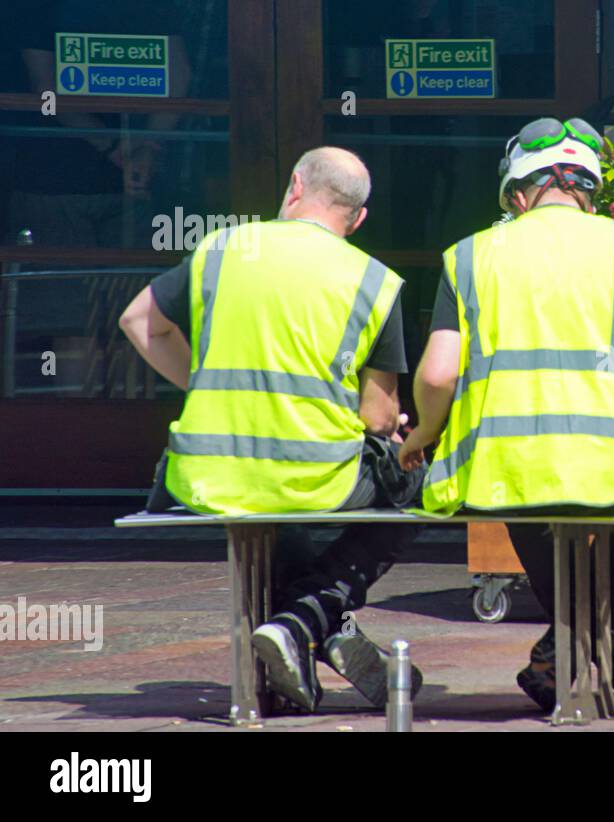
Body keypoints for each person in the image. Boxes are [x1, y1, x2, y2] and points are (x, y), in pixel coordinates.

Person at [398, 117, 614, 713]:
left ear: (516, 193)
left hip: (503, 465)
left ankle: (563, 647)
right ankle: (607, 648)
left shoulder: (468, 255)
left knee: (528, 500)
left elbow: (437, 374)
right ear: (590, 187)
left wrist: (425, 435)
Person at [119, 147, 426, 713]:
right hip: (314, 475)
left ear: (293, 187)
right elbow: (380, 419)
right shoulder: (373, 280)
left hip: (207, 473)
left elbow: (139, 322)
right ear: (357, 219)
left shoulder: (222, 248)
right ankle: (310, 615)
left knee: (277, 503)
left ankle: (297, 647)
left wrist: (207, 385)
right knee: (414, 479)